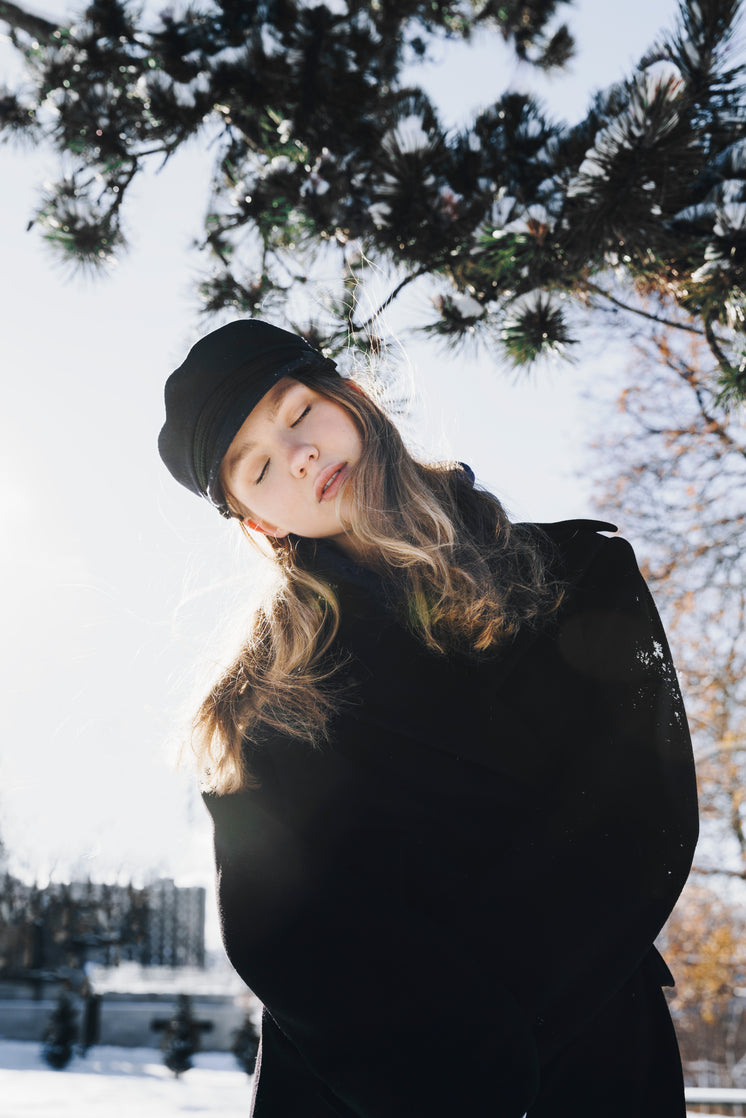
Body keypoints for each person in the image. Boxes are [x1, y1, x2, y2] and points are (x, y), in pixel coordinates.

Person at [159, 319, 698, 1117]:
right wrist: (460, 1083)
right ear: (260, 522)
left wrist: (512, 1051)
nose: (300, 454)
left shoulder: (584, 577)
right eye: (261, 467)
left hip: (592, 1058)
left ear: (352, 397)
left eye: (298, 412)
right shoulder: (261, 703)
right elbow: (290, 936)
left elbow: (644, 822)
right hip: (377, 1092)